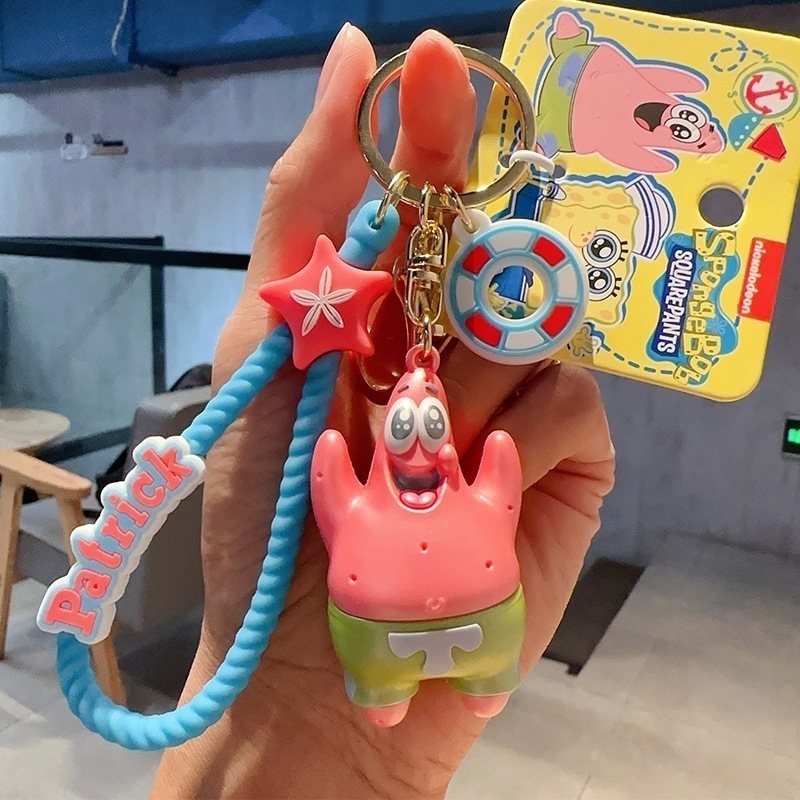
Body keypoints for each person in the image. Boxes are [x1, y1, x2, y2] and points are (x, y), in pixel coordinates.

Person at [152, 25, 615, 800]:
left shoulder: (404, 488)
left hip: (420, 627)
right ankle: (416, 688)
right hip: (397, 630)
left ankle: (455, 684)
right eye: (412, 425)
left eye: (420, 426)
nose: (421, 439)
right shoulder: (362, 486)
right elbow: (340, 487)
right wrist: (286, 703)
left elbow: (486, 483)